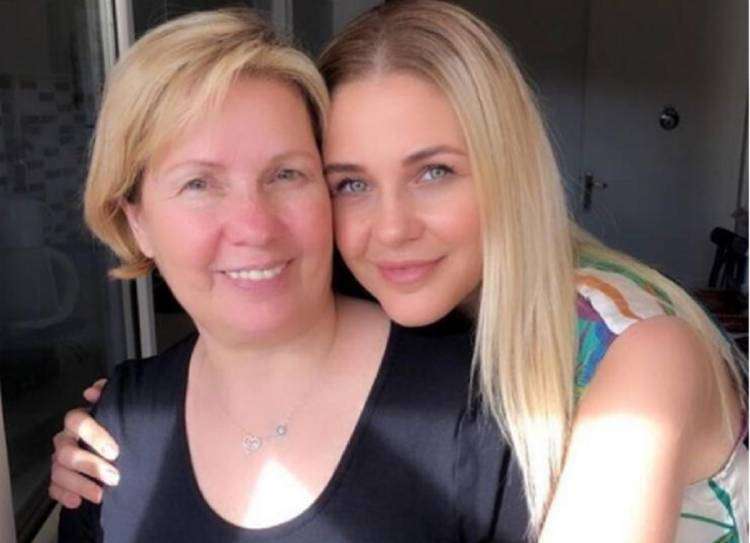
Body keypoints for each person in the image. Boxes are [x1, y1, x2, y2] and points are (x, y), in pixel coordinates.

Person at [52, 1, 748, 541]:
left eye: (434, 171)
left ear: (511, 170)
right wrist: (126, 421)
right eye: (351, 182)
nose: (391, 229)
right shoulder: (407, 301)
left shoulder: (640, 355)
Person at [55, 8, 526, 542]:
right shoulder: (113, 433)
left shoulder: (482, 407)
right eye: (199, 184)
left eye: (285, 174)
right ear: (137, 222)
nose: (255, 227)